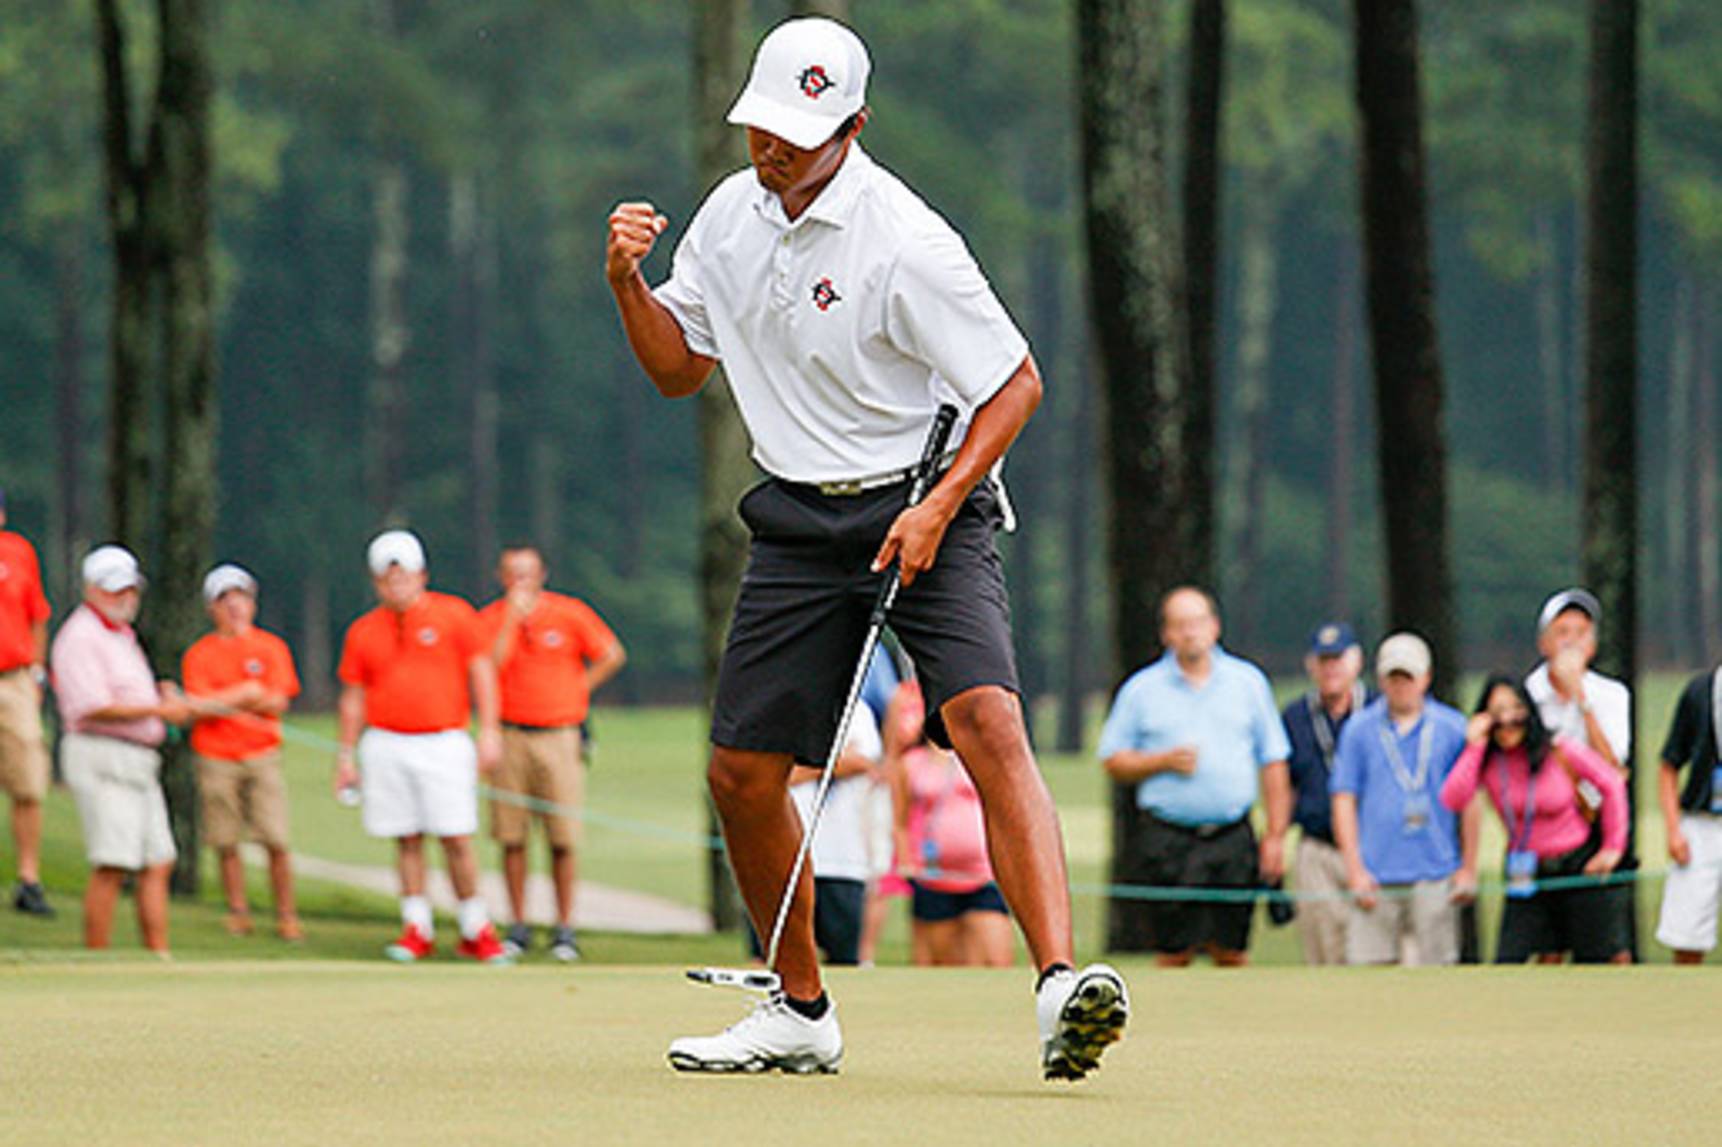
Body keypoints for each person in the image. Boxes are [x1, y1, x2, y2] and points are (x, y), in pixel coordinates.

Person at [607, 16, 1125, 1079]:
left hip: (927, 500)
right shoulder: (729, 217)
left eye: (798, 132)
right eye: (762, 125)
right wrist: (627, 283)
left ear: (853, 126)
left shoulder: (906, 240)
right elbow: (676, 369)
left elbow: (1014, 384)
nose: (773, 147)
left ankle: (1058, 984)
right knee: (741, 774)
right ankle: (799, 1009)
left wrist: (938, 506)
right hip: (800, 521)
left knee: (986, 720)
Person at [333, 530, 511, 965]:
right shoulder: (363, 630)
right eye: (387, 577)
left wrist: (490, 730)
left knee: (456, 836)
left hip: (443, 740)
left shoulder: (454, 615)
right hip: (386, 741)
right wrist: (346, 754)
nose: (396, 584)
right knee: (406, 837)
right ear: (376, 582)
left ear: (421, 575)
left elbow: (482, 672)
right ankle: (417, 926)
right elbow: (353, 696)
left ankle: (475, 927)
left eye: (404, 574)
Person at [1098, 586, 1292, 967]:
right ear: (1166, 633)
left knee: (1232, 949)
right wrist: (1161, 762)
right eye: (1180, 624)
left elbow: (1273, 761)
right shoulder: (1142, 690)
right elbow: (1113, 759)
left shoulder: (1247, 682)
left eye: (1198, 622)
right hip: (1168, 836)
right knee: (1173, 951)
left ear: (1214, 626)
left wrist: (1275, 835)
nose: (1190, 632)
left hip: (1232, 834)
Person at [477, 544, 626, 962]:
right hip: (510, 733)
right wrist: (511, 619)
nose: (520, 581)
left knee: (562, 837)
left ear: (542, 575)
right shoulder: (490, 619)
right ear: (501, 577)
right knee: (512, 836)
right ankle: (518, 925)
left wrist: (578, 689)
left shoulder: (569, 613)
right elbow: (488, 667)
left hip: (559, 734)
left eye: (527, 573)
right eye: (512, 573)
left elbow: (611, 654)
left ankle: (564, 928)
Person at [48, 545, 192, 953]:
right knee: (113, 862)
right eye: (114, 590)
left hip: (138, 760)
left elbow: (128, 693)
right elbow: (91, 706)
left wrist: (159, 698)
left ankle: (157, 954)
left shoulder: (122, 636)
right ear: (91, 589)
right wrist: (159, 709)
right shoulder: (80, 636)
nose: (125, 598)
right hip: (102, 755)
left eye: (129, 589)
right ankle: (98, 958)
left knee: (158, 859)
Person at [1439, 675, 1629, 964]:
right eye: (1497, 712)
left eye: (1515, 710)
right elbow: (1453, 798)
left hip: (1576, 867)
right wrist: (1474, 746)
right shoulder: (1490, 761)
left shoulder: (1558, 750)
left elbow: (1612, 783)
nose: (1507, 721)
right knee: (1509, 959)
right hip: (1524, 870)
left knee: (1595, 958)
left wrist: (1613, 847)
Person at [1328, 634, 1477, 966]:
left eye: (1408, 677)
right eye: (1393, 678)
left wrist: (1468, 867)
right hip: (1375, 873)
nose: (1401, 686)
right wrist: (1354, 869)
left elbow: (1469, 801)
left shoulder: (1452, 728)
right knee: (1371, 968)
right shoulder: (1359, 729)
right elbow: (1344, 799)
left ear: (1426, 677)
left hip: (1435, 870)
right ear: (1381, 680)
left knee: (1435, 969)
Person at [181, 564, 303, 941]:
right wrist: (246, 693)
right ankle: (238, 911)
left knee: (275, 838)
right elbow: (197, 705)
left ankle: (287, 914)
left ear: (253, 603)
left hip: (262, 753)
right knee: (226, 839)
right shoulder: (200, 654)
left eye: (241, 597)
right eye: (224, 599)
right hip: (216, 755)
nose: (234, 606)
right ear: (212, 608)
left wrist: (227, 701)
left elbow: (278, 699)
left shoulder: (271, 648)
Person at [1525, 588, 1634, 960]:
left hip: (1599, 824)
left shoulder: (1612, 695)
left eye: (1581, 633)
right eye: (1562, 632)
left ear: (1593, 645)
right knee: (1549, 948)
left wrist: (1582, 700)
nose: (1571, 642)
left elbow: (1613, 768)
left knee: (1608, 946)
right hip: (1546, 827)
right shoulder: (1528, 696)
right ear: (1544, 643)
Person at [890, 679, 1013, 967]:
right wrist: (906, 861)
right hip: (934, 876)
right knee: (944, 963)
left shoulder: (980, 754)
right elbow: (900, 821)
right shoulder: (911, 762)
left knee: (995, 960)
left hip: (983, 874)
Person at [1279, 622, 1370, 964]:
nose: (1331, 668)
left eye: (1338, 659)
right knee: (1324, 951)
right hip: (1317, 845)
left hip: (1371, 847)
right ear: (1311, 665)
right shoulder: (1295, 717)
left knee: (1375, 949)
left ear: (1356, 661)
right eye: (1323, 660)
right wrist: (1276, 838)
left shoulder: (1376, 710)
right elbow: (1285, 783)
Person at [0, 488, 54, 916]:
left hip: (14, 679)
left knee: (27, 781)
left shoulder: (18, 552)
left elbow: (37, 616)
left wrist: (36, 673)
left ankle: (29, 879)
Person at [1650, 665, 1722, 964]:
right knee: (1687, 933)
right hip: (1700, 826)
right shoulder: (1700, 691)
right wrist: (1673, 830)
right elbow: (1669, 765)